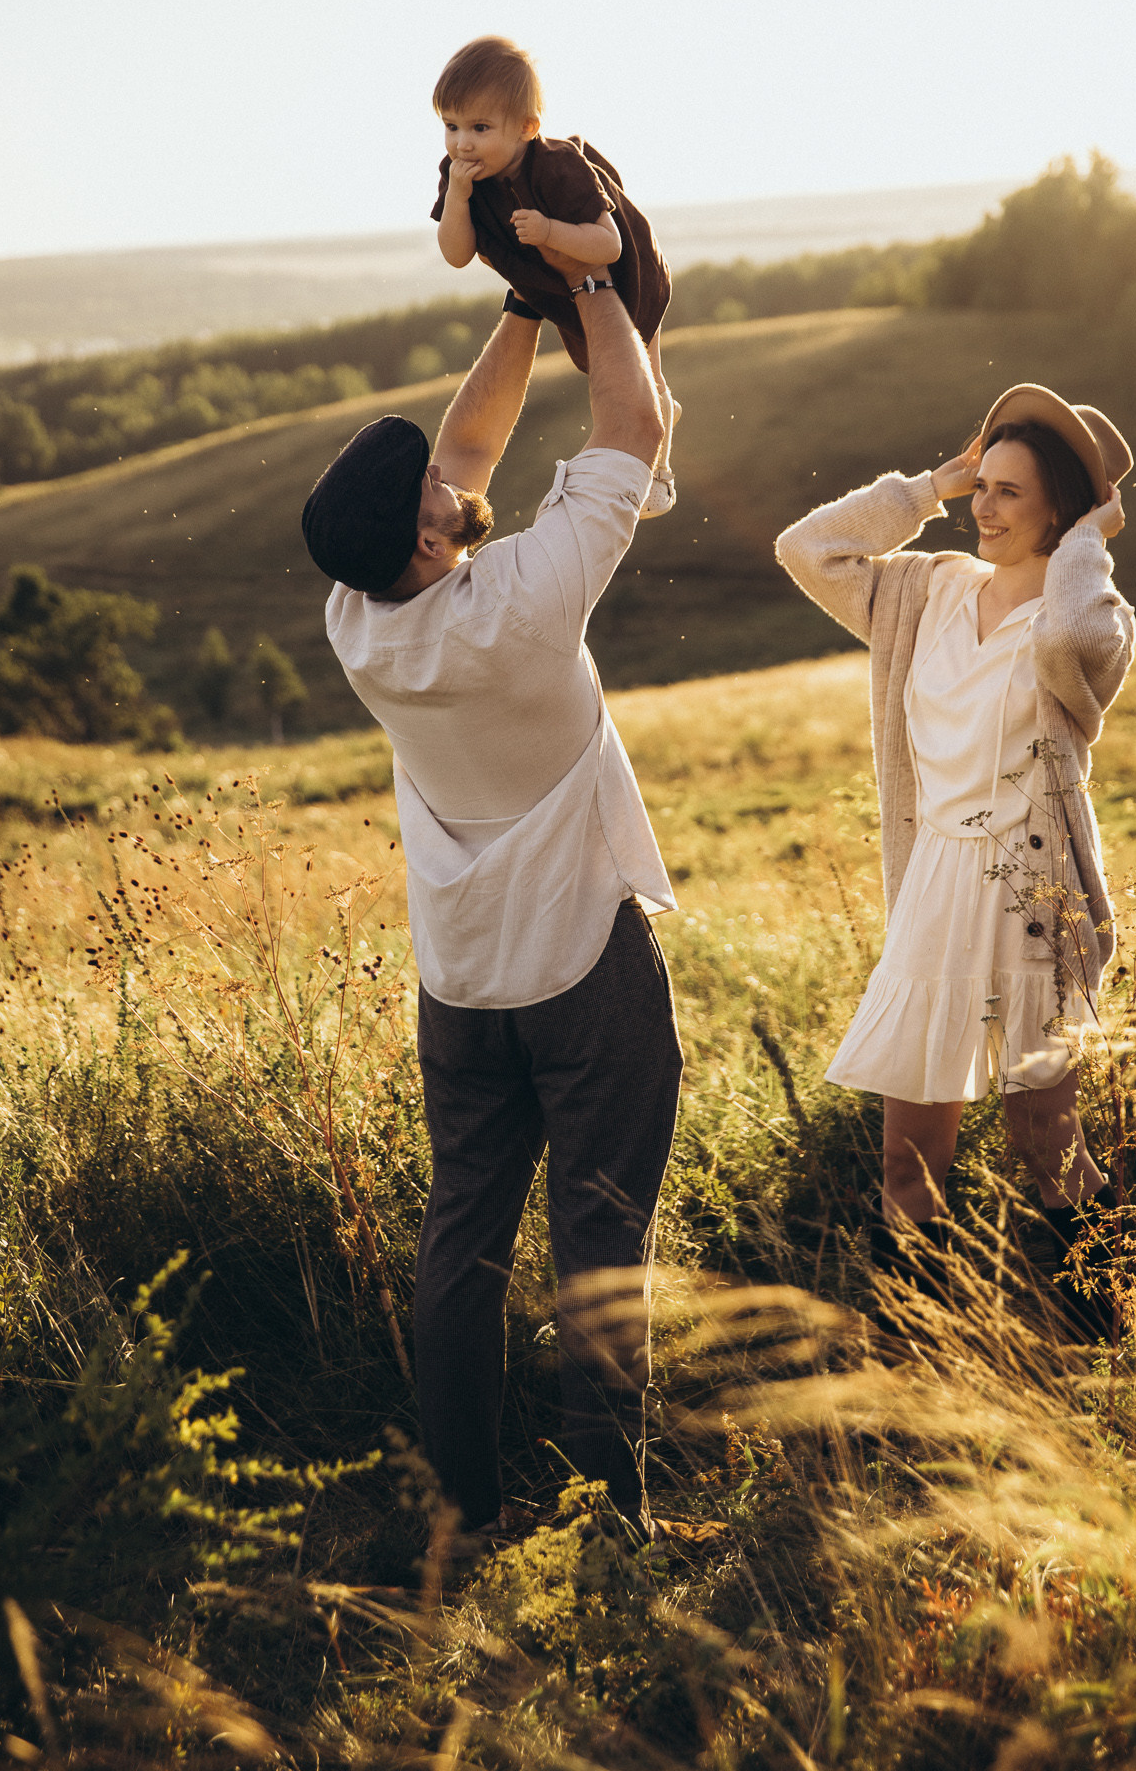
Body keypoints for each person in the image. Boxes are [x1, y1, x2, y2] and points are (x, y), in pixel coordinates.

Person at [300, 276, 683, 1544]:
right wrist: (583, 281)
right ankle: (611, 1507)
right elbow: (631, 417)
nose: (448, 476)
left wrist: (518, 313)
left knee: (460, 1238)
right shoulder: (521, 600)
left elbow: (466, 450)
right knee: (600, 1227)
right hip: (582, 968)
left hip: (460, 984)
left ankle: (462, 1507)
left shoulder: (358, 618)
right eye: (426, 495)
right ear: (422, 540)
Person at [774, 385, 1135, 1332]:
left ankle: (1096, 1343)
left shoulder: (1091, 615)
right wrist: (928, 485)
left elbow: (1066, 636)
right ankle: (928, 1361)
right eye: (984, 483)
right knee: (908, 1158)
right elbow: (804, 549)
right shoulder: (923, 591)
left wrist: (1088, 543)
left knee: (1047, 1142)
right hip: (933, 889)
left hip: (1029, 895)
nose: (986, 506)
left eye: (1010, 492)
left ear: (1062, 508)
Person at [431, 33, 679, 519]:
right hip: (555, 285)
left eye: (480, 127)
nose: (463, 142)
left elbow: (608, 244)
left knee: (637, 376)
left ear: (527, 127)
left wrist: (550, 230)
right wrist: (457, 199)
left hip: (626, 278)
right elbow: (456, 254)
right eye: (451, 125)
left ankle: (659, 473)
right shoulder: (459, 175)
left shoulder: (559, 166)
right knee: (599, 372)